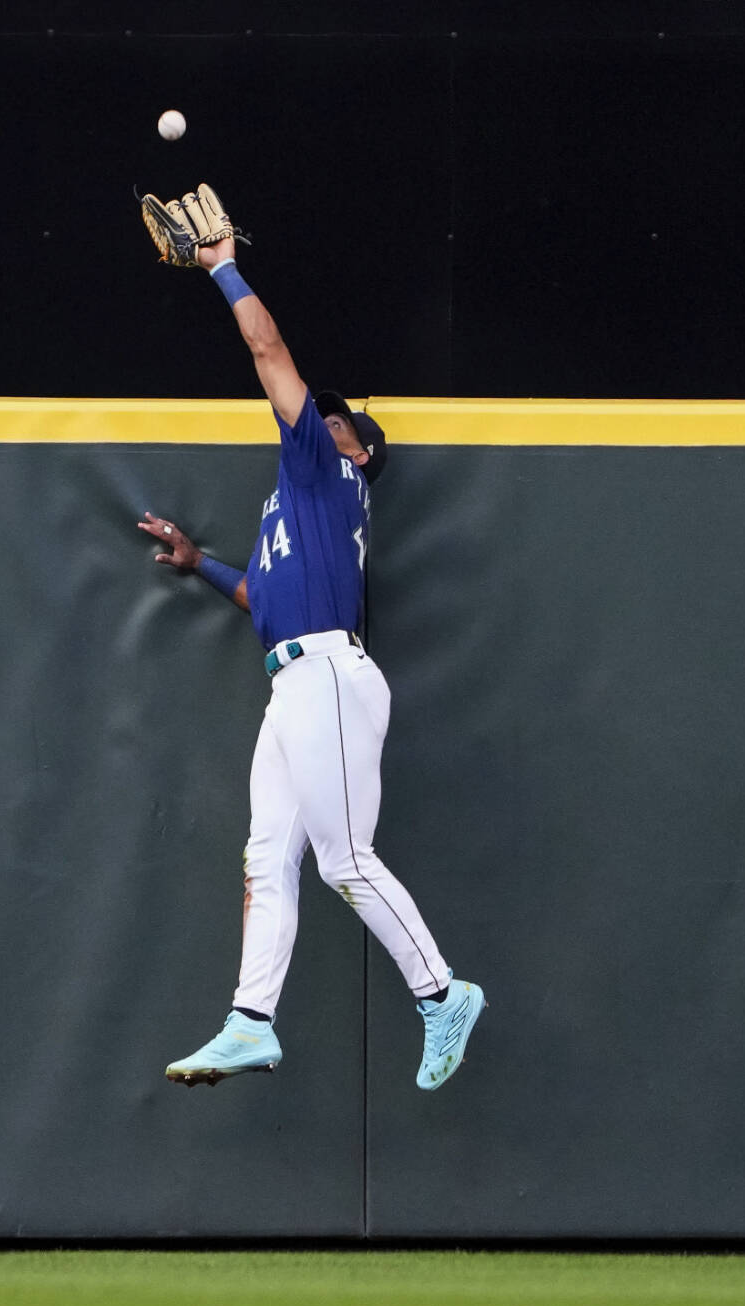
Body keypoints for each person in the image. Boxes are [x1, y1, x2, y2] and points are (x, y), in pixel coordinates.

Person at [137, 219, 483, 1091]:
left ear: (359, 451)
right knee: (266, 858)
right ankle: (251, 1020)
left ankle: (443, 995)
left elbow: (269, 350)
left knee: (344, 860)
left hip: (328, 675)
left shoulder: (331, 476)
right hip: (292, 680)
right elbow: (263, 595)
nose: (317, 417)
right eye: (319, 415)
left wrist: (222, 270)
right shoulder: (294, 502)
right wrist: (200, 563)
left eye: (336, 420)